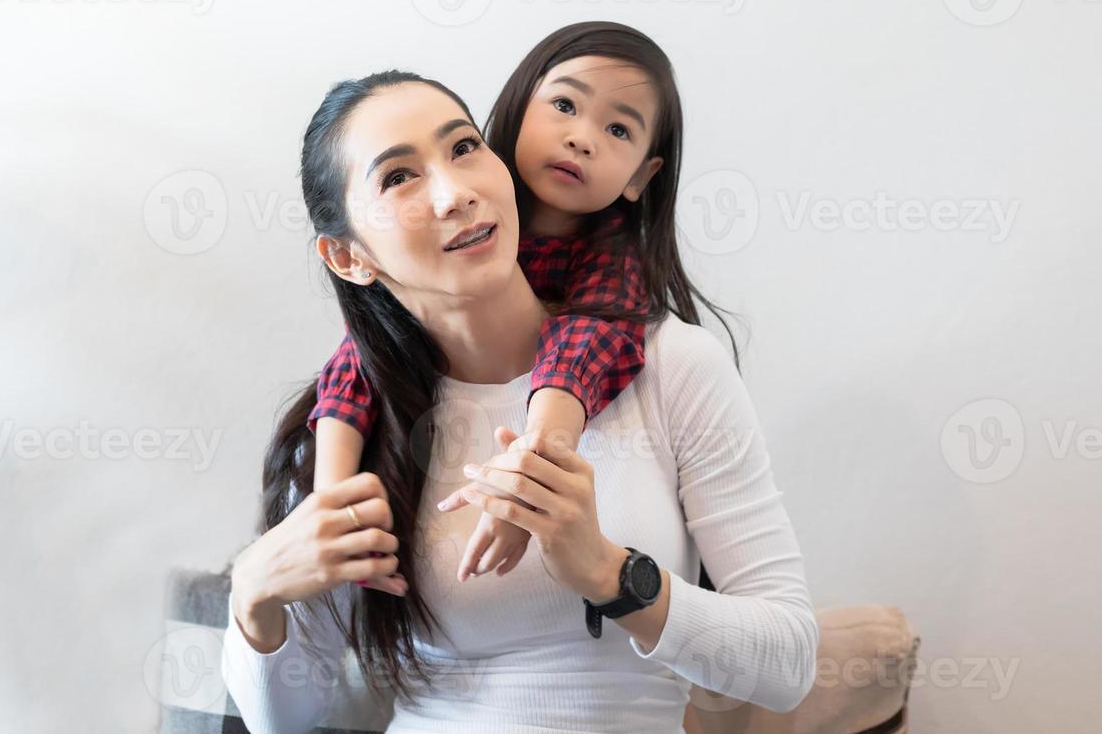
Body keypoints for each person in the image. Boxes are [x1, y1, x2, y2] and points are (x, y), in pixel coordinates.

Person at [223, 70, 816, 732]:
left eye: (464, 148)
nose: (455, 193)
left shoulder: (671, 364)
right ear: (348, 256)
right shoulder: (352, 431)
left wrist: (609, 574)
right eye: (398, 177)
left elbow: (787, 667)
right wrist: (254, 592)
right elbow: (281, 721)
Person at [305, 22, 736, 591]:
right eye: (563, 104)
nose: (582, 138)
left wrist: (529, 479)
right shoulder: (417, 303)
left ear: (640, 177)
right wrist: (329, 515)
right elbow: (357, 360)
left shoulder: (626, 291)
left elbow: (586, 338)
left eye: (618, 129)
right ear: (511, 115)